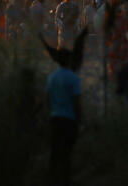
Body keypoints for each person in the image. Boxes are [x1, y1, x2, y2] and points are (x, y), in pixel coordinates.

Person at [45, 48, 81, 186]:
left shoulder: (51, 77)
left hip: (55, 118)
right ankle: (65, 180)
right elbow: (77, 102)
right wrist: (79, 120)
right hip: (69, 119)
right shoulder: (73, 78)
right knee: (66, 153)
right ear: (70, 60)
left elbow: (47, 99)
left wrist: (53, 112)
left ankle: (52, 178)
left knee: (54, 151)